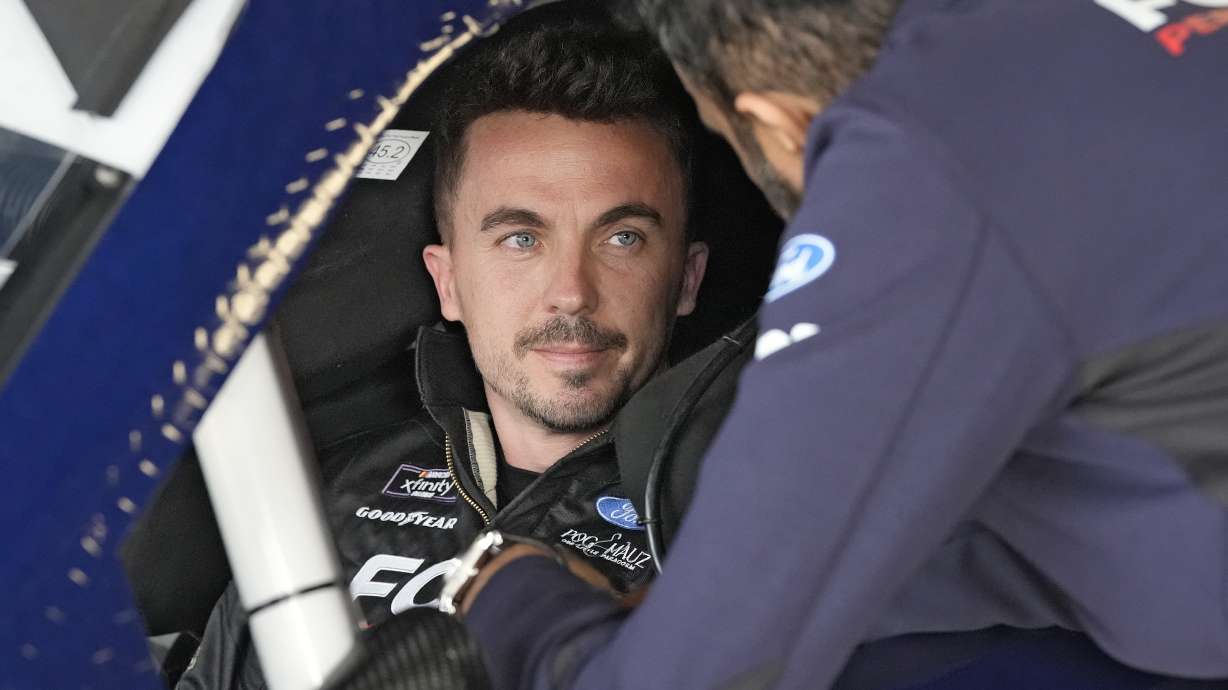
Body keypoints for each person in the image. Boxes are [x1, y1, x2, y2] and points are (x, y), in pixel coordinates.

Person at [458, 1, 1228, 688]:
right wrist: (707, 604)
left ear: (778, 125)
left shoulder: (923, 168)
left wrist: (509, 597)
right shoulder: (1077, 36)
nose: (571, 291)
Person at [177, 8, 707, 688]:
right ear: (447, 281)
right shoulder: (323, 498)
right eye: (522, 239)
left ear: (687, 278)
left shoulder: (750, 511)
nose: (572, 293)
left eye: (622, 238)